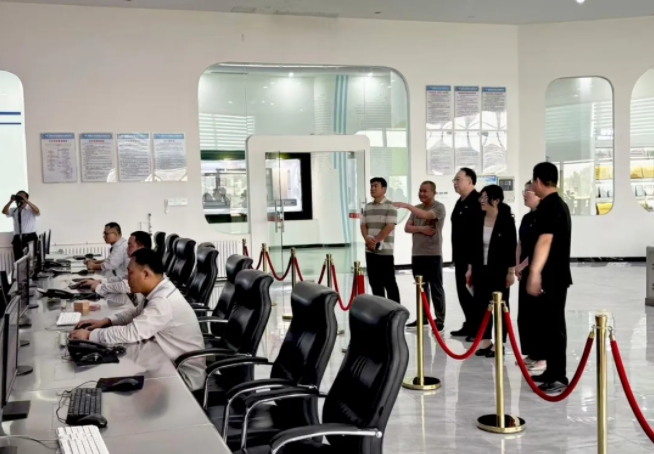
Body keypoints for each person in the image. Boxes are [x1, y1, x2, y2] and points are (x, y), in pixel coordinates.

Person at [69, 249, 205, 390]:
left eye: (130, 273)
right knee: (122, 367)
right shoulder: (159, 290)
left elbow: (131, 333)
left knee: (121, 380)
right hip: (166, 360)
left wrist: (90, 336)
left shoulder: (162, 300)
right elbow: (135, 313)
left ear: (146, 274)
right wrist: (106, 321)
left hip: (183, 374)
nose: (128, 279)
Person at [526, 162, 572, 394]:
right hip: (554, 275)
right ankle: (551, 371)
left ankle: (558, 376)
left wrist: (534, 272)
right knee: (548, 325)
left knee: (554, 327)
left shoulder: (550, 207)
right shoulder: (557, 204)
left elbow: (545, 240)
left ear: (538, 181)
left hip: (552, 276)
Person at [467, 185, 516, 357]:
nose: (481, 200)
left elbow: (511, 247)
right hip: (480, 269)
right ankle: (485, 340)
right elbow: (473, 247)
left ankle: (500, 342)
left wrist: (511, 272)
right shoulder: (478, 218)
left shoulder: (506, 220)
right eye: (480, 197)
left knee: (500, 306)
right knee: (480, 305)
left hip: (499, 271)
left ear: (496, 200)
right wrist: (469, 269)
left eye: (484, 197)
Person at [395, 181, 447, 330]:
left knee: (436, 287)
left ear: (433, 193)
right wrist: (422, 229)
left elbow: (426, 215)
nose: (422, 194)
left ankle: (439, 319)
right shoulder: (416, 208)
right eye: (420, 191)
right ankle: (423, 317)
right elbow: (407, 228)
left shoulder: (438, 207)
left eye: (425, 191)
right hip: (417, 254)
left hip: (433, 254)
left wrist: (407, 206)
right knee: (421, 287)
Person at [450, 168, 482, 340]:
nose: (455, 183)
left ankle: (478, 329)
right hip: (460, 257)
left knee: (473, 294)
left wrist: (472, 261)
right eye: (454, 180)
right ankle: (469, 324)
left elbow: (478, 234)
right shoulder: (460, 202)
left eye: (458, 179)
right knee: (462, 292)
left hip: (473, 259)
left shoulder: (477, 201)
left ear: (470, 181)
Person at [516, 181, 544, 371]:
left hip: (537, 271)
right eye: (524, 191)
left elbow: (538, 248)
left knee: (539, 315)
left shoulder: (544, 217)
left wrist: (524, 264)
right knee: (525, 315)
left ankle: (544, 356)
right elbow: (520, 243)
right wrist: (516, 265)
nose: (524, 194)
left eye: (528, 191)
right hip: (524, 270)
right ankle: (531, 352)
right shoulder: (527, 218)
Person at [361, 177, 400, 303]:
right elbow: (363, 225)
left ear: (384, 189)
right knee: (374, 283)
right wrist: (367, 239)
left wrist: (376, 241)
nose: (372, 188)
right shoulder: (368, 207)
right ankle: (380, 309)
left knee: (389, 283)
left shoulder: (390, 206)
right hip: (370, 250)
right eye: (371, 186)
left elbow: (390, 226)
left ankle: (395, 309)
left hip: (385, 251)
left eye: (375, 186)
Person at [81, 231, 152, 296]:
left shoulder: (144, 264)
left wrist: (99, 287)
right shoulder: (139, 261)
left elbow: (128, 285)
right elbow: (125, 278)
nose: (127, 249)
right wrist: (99, 281)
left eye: (130, 246)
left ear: (140, 248)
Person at [2, 191, 40, 260]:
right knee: (18, 260)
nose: (20, 198)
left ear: (26, 198)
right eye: (19, 196)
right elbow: (4, 211)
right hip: (17, 238)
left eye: (22, 196)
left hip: (30, 237)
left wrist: (26, 201)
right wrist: (10, 201)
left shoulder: (31, 209)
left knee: (32, 259)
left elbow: (37, 211)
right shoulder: (14, 210)